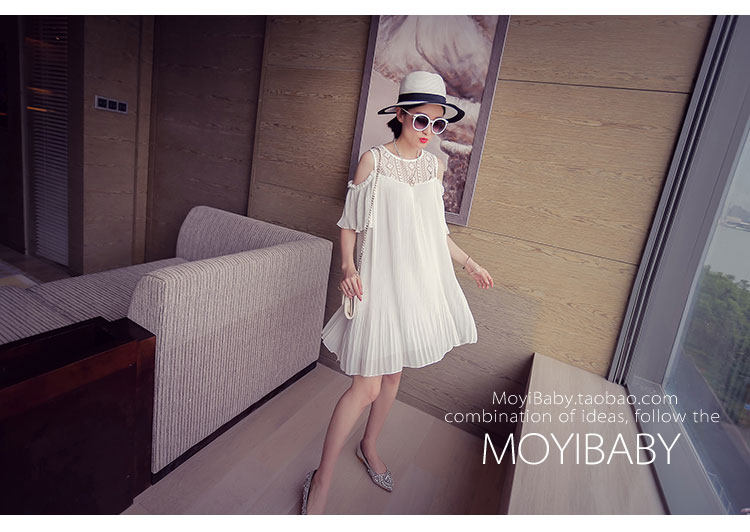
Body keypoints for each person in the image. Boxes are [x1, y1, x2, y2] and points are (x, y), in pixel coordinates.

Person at [301, 71, 494, 514]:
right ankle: (322, 479)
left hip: (416, 285)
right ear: (402, 116)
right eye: (421, 120)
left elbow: (436, 233)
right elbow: (349, 224)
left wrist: (470, 264)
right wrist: (348, 267)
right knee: (365, 387)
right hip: (378, 286)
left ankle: (368, 445)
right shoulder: (373, 161)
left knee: (393, 377)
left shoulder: (434, 167)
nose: (429, 131)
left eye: (437, 123)